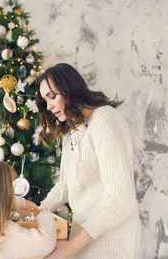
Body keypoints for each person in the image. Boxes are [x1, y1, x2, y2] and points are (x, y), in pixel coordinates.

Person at [35, 63, 140, 258]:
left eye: (52, 96)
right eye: (45, 100)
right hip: (83, 239)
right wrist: (41, 208)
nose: (48, 106)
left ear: (70, 89)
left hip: (110, 242)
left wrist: (72, 246)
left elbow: (120, 198)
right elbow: (67, 184)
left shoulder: (104, 119)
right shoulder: (73, 129)